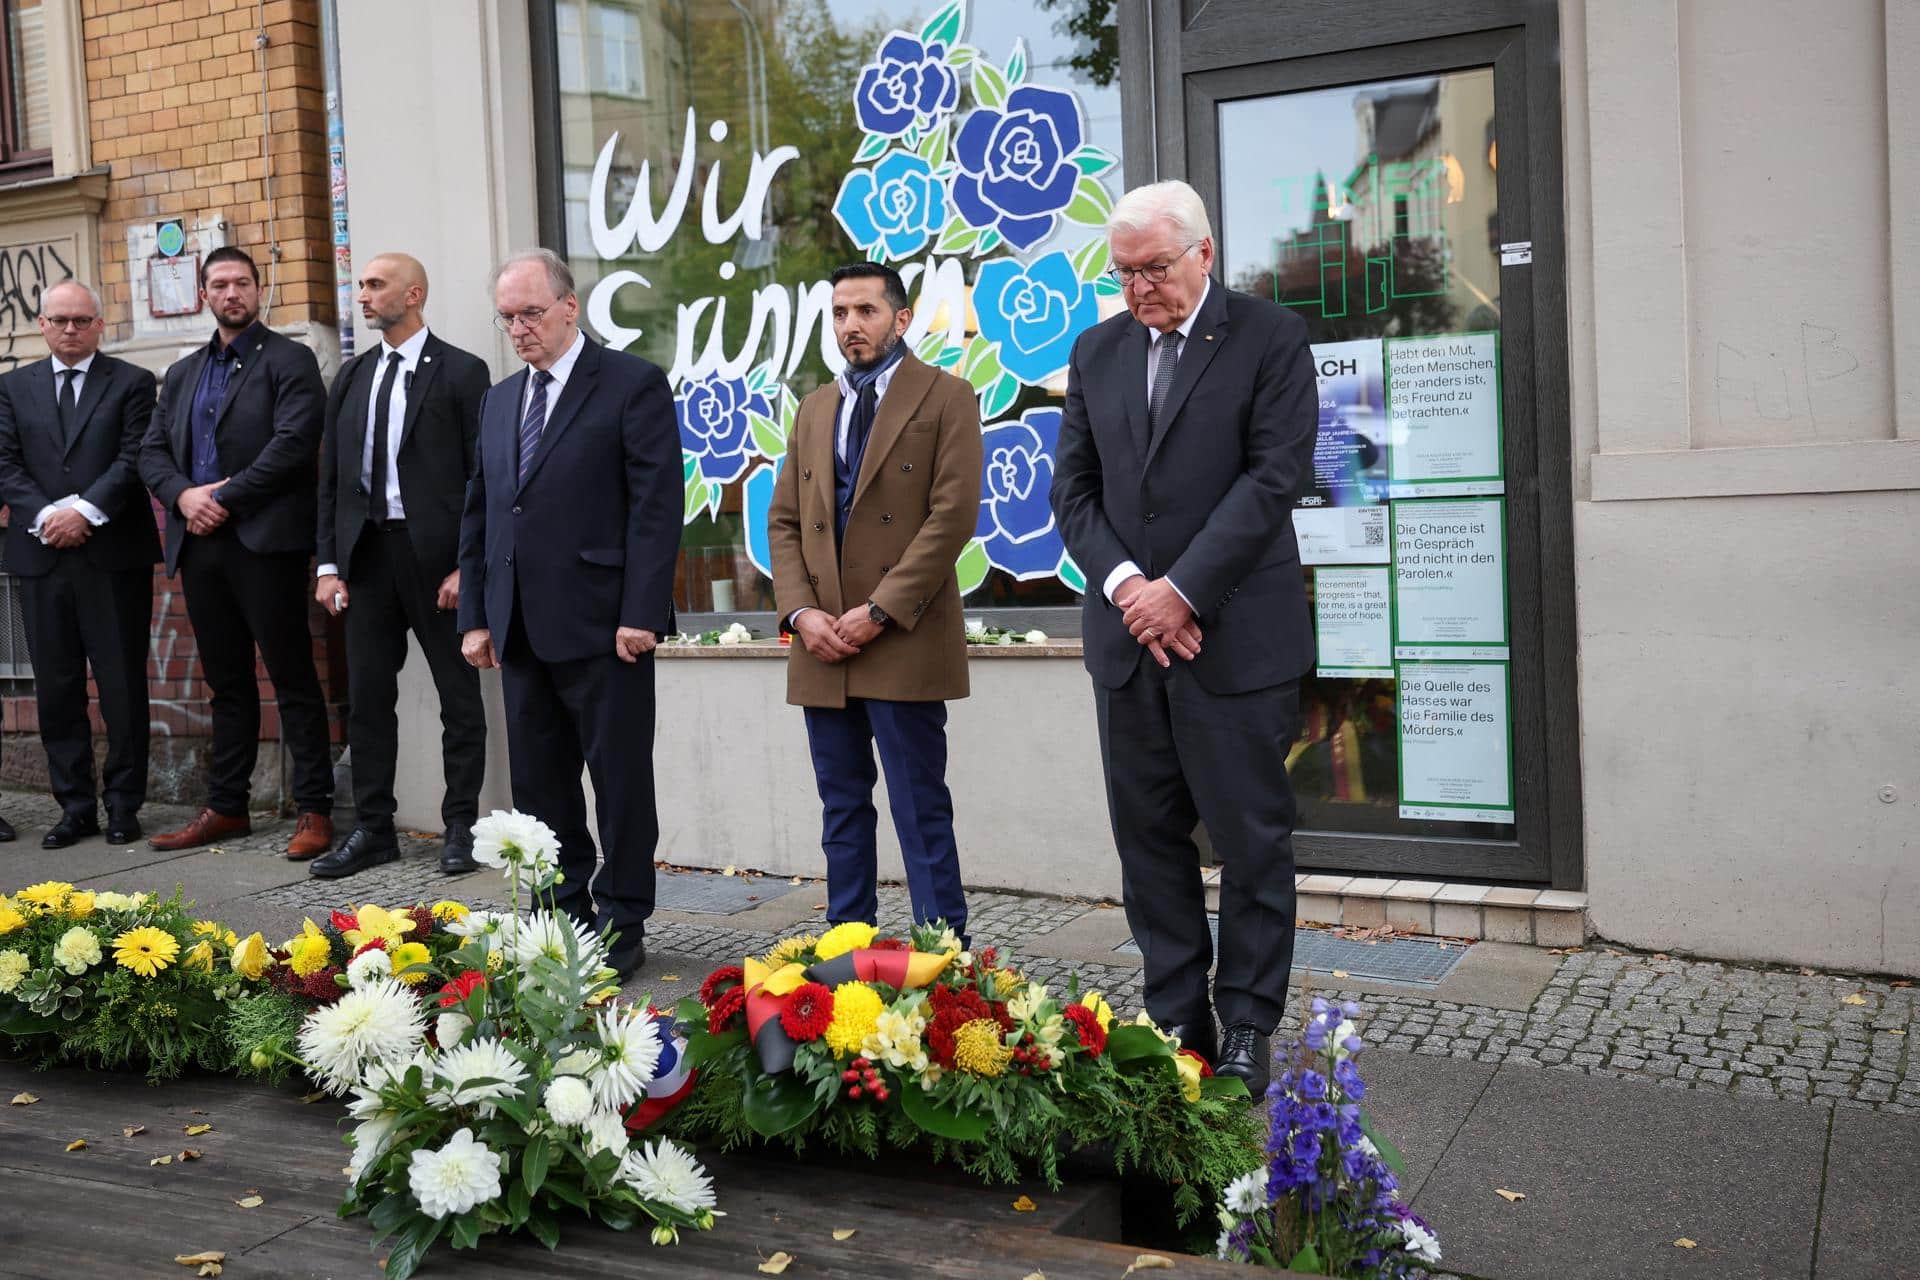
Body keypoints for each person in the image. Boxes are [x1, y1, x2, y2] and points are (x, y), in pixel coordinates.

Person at [1049, 180, 1317, 1095]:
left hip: (1232, 642)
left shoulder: (1270, 339)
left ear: (1205, 252)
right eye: (1122, 274)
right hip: (1130, 644)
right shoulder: (1097, 352)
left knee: (1251, 842)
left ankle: (1246, 1022)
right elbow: (1073, 496)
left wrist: (1185, 591)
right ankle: (1176, 1019)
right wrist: (1132, 589)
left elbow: (1272, 478)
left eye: (1154, 269)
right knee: (1148, 843)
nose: (1138, 290)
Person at [456, 249, 680, 979]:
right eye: (507, 317)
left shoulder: (629, 384)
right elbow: (484, 511)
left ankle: (623, 917)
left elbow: (655, 507)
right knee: (541, 788)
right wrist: (478, 617)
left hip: (607, 627)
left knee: (618, 782)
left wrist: (642, 610)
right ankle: (561, 916)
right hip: (520, 628)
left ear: (568, 307)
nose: (518, 328)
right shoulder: (498, 400)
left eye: (529, 313)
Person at [768, 263, 984, 942]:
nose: (850, 326)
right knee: (841, 811)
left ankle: (944, 959)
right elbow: (784, 523)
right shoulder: (812, 408)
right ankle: (846, 947)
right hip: (823, 644)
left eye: (864, 310)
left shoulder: (947, 396)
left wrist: (880, 610)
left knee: (920, 809)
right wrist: (802, 615)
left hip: (903, 636)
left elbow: (951, 518)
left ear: (901, 318)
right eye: (838, 313)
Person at [138, 245, 336, 859]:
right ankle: (227, 807)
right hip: (200, 549)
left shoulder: (290, 359)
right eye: (220, 284)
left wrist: (222, 496)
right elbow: (151, 453)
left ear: (258, 290)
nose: (232, 293)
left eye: (242, 283)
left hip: (264, 544)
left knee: (293, 678)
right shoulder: (184, 372)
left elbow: (293, 444)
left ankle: (314, 811)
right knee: (225, 682)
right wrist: (184, 497)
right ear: (203, 295)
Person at [309, 254, 490, 879]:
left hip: (436, 563)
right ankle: (374, 828)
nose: (362, 294)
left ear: (414, 293)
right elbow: (331, 479)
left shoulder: (463, 373)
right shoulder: (353, 376)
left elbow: (482, 477)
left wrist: (469, 566)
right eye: (360, 284)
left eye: (375, 284)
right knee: (366, 700)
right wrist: (328, 565)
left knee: (458, 698)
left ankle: (461, 825)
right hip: (366, 560)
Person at [0, 280, 159, 848]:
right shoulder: (12, 388)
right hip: (41, 555)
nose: (70, 329)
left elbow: (135, 455)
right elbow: (5, 462)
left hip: (113, 555)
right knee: (57, 688)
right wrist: (47, 516)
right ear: (40, 325)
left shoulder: (134, 383)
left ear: (99, 324)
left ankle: (123, 805)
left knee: (121, 686)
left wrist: (85, 513)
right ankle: (74, 808)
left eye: (81, 320)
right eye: (60, 320)